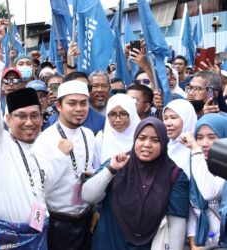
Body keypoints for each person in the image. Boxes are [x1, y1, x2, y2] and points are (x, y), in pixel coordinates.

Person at [0, 20, 48, 249]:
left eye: (34, 116)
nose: (29, 122)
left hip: (38, 238)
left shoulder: (43, 145)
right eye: (21, 116)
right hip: (4, 240)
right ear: (7, 119)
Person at [82, 117, 189, 249]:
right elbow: (88, 196)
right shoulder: (118, 163)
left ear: (164, 143)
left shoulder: (175, 175)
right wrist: (110, 170)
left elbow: (177, 222)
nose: (147, 144)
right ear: (134, 139)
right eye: (142, 138)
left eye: (155, 140)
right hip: (109, 242)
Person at [33, 80, 96, 250]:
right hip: (57, 223)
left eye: (84, 103)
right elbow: (40, 188)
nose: (79, 109)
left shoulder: (89, 135)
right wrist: (60, 156)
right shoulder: (45, 140)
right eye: (72, 103)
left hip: (86, 218)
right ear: (59, 106)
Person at [179, 114, 227, 248]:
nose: (204, 144)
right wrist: (194, 243)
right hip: (204, 243)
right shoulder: (194, 163)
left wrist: (195, 149)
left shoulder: (199, 159)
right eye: (199, 138)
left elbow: (209, 191)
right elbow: (194, 210)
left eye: (212, 137)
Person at [94, 94, 141, 168]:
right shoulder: (101, 137)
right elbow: (96, 169)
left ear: (132, 114)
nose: (118, 120)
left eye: (123, 114)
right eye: (112, 114)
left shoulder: (142, 137)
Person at [163, 99, 197, 179]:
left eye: (173, 118)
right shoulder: (163, 148)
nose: (168, 123)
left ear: (187, 120)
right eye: (165, 118)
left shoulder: (197, 151)